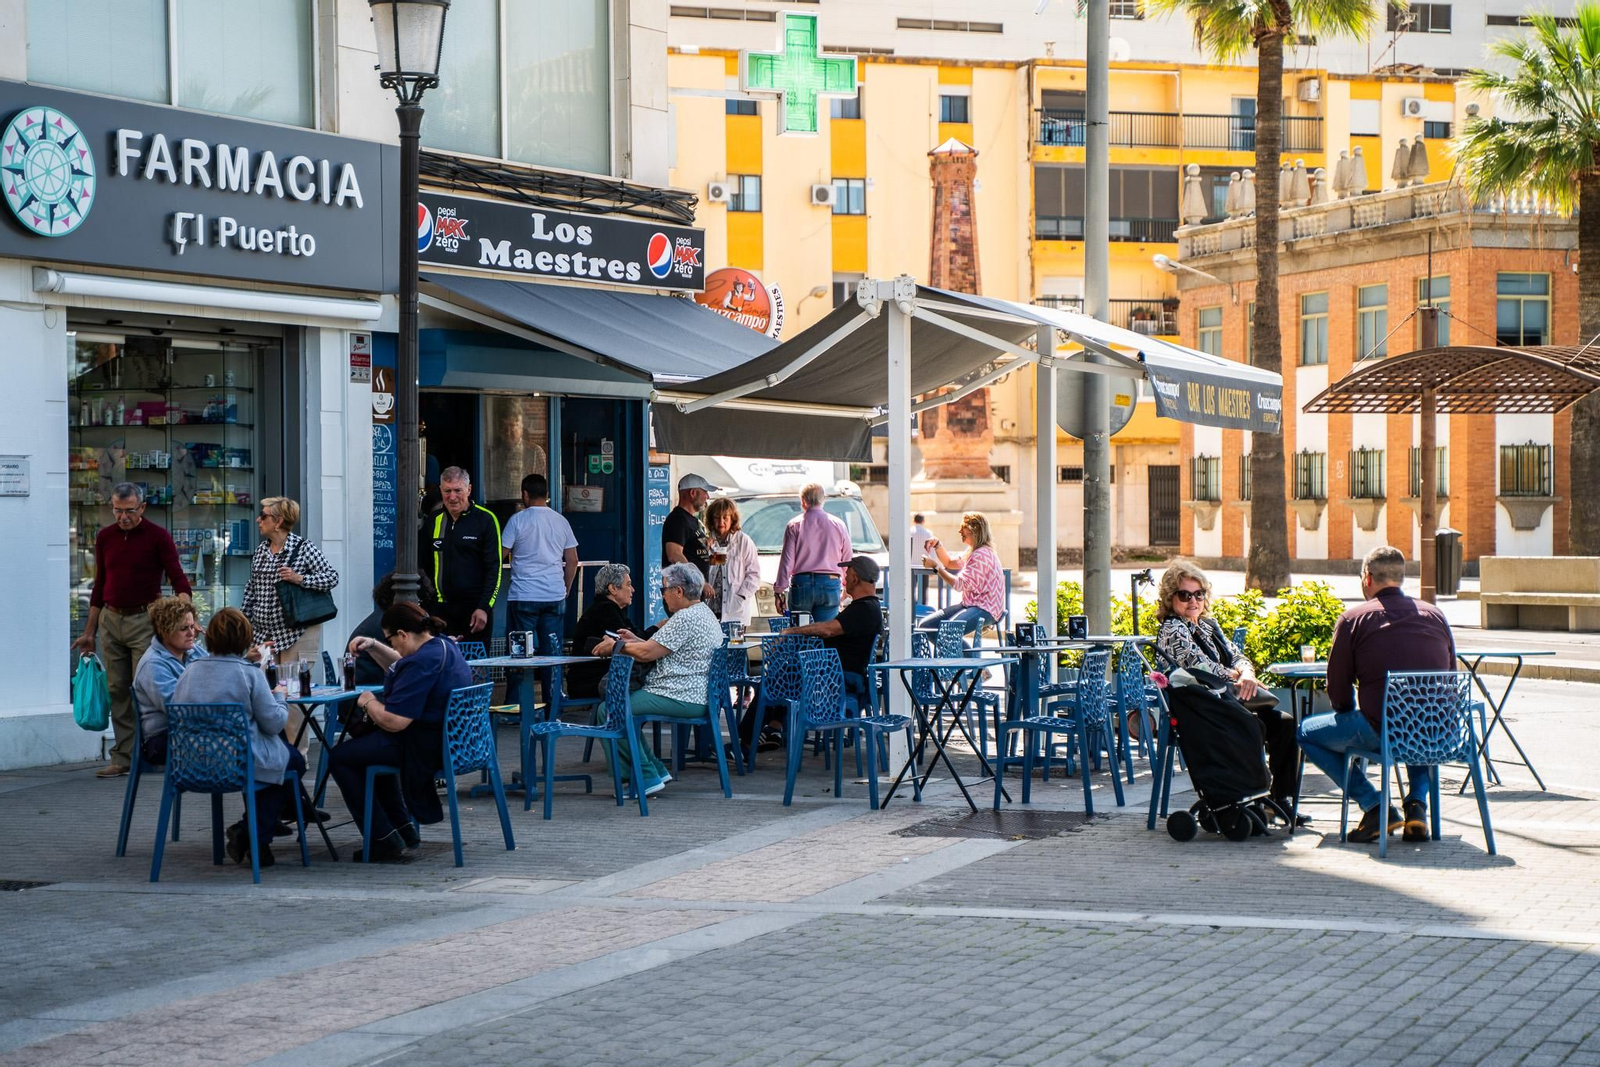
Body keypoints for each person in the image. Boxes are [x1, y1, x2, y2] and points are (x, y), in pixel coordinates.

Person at [1298, 546, 1455, 844]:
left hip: (1379, 730)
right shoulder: (1436, 615)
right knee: (1421, 716)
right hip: (1438, 732)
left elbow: (1339, 688)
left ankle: (1375, 806)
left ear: (1367, 578)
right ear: (1401, 578)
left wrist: (1345, 711)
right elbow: (1448, 675)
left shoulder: (1353, 619)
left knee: (1306, 733)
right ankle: (1417, 805)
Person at [332, 602, 475, 862]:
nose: (394, 646)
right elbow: (401, 663)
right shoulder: (443, 646)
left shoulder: (422, 662)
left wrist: (368, 702)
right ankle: (400, 828)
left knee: (339, 757)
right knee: (368, 751)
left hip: (426, 747)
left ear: (403, 634)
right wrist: (374, 645)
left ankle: (383, 838)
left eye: (391, 640)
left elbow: (396, 722)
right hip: (457, 742)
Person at [1154, 560, 1298, 812]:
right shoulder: (1173, 628)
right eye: (1185, 595)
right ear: (1170, 598)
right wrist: (1237, 675)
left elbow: (1237, 654)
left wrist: (1248, 672)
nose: (1193, 601)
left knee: (1284, 723)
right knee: (1255, 725)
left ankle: (1279, 799)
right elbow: (1200, 666)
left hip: (1227, 702)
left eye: (1199, 594)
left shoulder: (1208, 626)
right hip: (1202, 710)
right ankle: (1250, 796)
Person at [74, 482, 193, 779]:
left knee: (145, 688)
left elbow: (178, 578)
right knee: (117, 690)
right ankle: (124, 757)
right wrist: (90, 631)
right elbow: (99, 586)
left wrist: (187, 615)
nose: (123, 517)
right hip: (111, 619)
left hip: (145, 619)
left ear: (142, 507)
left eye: (129, 511)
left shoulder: (158, 536)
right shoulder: (105, 537)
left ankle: (150, 752)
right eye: (117, 510)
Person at [170, 608, 303, 868]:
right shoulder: (249, 673)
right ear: (245, 639)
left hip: (191, 763)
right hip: (237, 763)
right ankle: (256, 836)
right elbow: (274, 723)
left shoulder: (189, 671)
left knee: (281, 762)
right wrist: (280, 696)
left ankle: (257, 837)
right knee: (291, 761)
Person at [590, 562, 723, 797]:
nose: (663, 596)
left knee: (611, 708)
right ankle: (655, 770)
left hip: (679, 694)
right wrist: (632, 640)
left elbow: (647, 654)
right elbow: (656, 647)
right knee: (618, 706)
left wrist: (617, 646)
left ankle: (642, 777)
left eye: (664, 590)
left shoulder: (684, 618)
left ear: (679, 591)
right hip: (693, 693)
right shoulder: (703, 613)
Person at [750, 555, 884, 751]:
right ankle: (773, 729)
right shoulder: (867, 607)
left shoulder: (864, 609)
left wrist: (790, 631)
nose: (844, 578)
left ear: (856, 578)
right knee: (784, 673)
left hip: (837, 679)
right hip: (835, 675)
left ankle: (745, 744)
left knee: (772, 682)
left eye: (848, 574)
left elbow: (829, 629)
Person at [243, 496, 339, 754]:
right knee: (263, 691)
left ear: (278, 521)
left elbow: (331, 577)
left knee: (294, 695)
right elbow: (251, 589)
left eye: (263, 516)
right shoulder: (261, 551)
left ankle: (297, 754)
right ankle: (269, 750)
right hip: (265, 633)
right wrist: (244, 623)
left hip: (298, 631)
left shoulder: (303, 548)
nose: (258, 520)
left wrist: (300, 579)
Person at [501, 473, 579, 703]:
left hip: (523, 596)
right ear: (547, 495)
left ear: (524, 494)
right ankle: (553, 705)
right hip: (554, 596)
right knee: (552, 655)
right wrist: (565, 587)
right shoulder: (560, 521)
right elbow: (572, 559)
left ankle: (515, 706)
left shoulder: (517, 521)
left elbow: (500, 554)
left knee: (520, 654)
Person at [425, 466, 503, 644]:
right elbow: (424, 565)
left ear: (469, 489)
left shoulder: (486, 520)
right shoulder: (434, 520)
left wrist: (484, 607)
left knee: (476, 668)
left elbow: (494, 569)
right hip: (440, 611)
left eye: (458, 490)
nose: (452, 497)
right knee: (441, 667)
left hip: (475, 613)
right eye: (447, 491)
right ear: (440, 491)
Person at [131, 596, 206, 766]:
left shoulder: (195, 651)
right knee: (242, 745)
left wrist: (246, 661)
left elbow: (220, 675)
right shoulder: (153, 664)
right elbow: (177, 708)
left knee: (253, 739)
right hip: (162, 739)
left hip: (192, 730)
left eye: (192, 626)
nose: (191, 633)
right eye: (183, 628)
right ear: (165, 630)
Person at [916, 511, 1004, 637]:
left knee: (949, 632)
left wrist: (935, 567)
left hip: (985, 608)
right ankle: (958, 654)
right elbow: (949, 562)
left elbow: (959, 585)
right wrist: (937, 545)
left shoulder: (981, 554)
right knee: (926, 627)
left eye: (963, 527)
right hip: (971, 604)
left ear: (974, 530)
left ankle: (966, 656)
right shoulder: (974, 551)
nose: (959, 531)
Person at [774, 483, 852, 622]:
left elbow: (787, 562)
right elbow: (847, 558)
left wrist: (779, 591)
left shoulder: (794, 525)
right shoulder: (838, 524)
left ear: (803, 501)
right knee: (826, 634)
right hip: (830, 583)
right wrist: (847, 585)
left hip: (801, 584)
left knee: (801, 635)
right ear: (823, 500)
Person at [345, 572, 438, 688]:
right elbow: (409, 666)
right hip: (369, 693)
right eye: (418, 602)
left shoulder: (380, 618)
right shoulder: (388, 625)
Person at [569, 564, 635, 698]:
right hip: (590, 681)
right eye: (628, 585)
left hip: (595, 677)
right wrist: (656, 629)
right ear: (613, 588)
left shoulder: (609, 608)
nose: (632, 590)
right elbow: (627, 642)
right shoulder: (605, 610)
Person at [706, 497, 760, 627]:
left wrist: (741, 596)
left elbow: (754, 575)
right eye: (717, 517)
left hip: (734, 610)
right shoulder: (706, 541)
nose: (721, 522)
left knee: (735, 646)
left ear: (732, 519)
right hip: (711, 609)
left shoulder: (743, 541)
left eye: (725, 518)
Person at [663, 473, 716, 582]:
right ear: (693, 493)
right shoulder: (678, 519)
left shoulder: (691, 520)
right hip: (684, 593)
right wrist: (698, 580)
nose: (708, 497)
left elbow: (691, 551)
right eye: (705, 492)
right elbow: (674, 555)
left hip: (693, 592)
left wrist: (705, 547)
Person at [910, 514, 935, 602]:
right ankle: (922, 606)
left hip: (911, 566)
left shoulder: (909, 531)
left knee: (910, 589)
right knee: (923, 589)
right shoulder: (928, 533)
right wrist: (933, 567)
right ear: (923, 521)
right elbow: (932, 550)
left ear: (913, 520)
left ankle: (911, 606)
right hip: (924, 566)